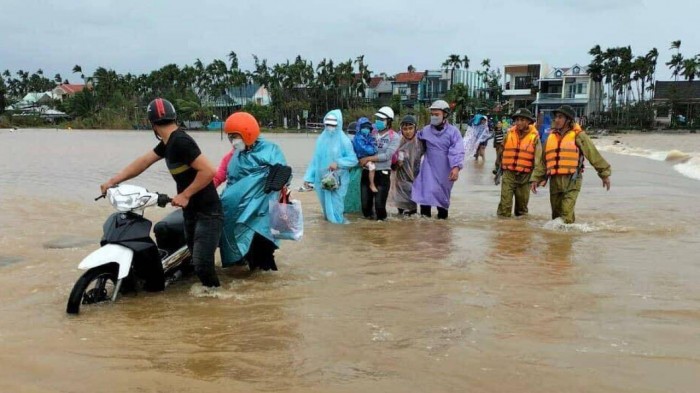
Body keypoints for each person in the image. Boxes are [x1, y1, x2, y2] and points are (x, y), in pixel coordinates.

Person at [100, 98, 221, 288]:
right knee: (194, 261)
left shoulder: (180, 141)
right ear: (173, 118)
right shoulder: (168, 143)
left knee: (202, 265)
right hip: (190, 212)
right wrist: (113, 181)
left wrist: (186, 194)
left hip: (208, 212)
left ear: (152, 124)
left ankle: (217, 302)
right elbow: (143, 162)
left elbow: (209, 171)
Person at [219, 112, 287, 271]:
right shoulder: (235, 155)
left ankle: (267, 291)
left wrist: (276, 180)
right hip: (239, 213)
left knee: (263, 255)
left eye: (235, 136)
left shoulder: (270, 150)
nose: (233, 141)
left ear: (247, 133)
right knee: (246, 254)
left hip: (262, 213)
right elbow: (226, 177)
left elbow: (283, 172)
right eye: (230, 137)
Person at [531, 105, 612, 223]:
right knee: (556, 216)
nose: (556, 120)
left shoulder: (579, 136)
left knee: (566, 214)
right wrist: (536, 178)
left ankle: (567, 237)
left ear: (568, 120)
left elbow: (592, 154)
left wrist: (604, 174)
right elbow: (544, 161)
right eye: (556, 117)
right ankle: (562, 240)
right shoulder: (551, 137)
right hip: (555, 180)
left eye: (560, 117)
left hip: (572, 180)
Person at [411, 100, 465, 219]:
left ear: (445, 115)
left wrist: (456, 168)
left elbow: (458, 150)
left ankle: (442, 232)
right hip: (428, 169)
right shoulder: (425, 131)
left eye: (437, 114)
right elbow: (414, 143)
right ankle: (424, 231)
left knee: (442, 202)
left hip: (445, 171)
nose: (433, 117)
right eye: (432, 114)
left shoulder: (453, 132)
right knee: (425, 199)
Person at [304, 110, 358, 224]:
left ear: (339, 124)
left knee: (336, 208)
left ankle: (338, 232)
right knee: (326, 210)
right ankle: (329, 234)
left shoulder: (344, 140)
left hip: (338, 180)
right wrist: (308, 178)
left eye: (333, 124)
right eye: (328, 124)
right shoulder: (321, 139)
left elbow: (353, 159)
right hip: (322, 180)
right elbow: (315, 160)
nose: (330, 127)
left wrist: (338, 163)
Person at [497, 108, 542, 218]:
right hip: (509, 174)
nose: (519, 123)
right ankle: (502, 231)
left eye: (522, 120)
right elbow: (501, 151)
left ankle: (521, 233)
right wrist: (497, 168)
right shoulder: (509, 134)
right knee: (504, 207)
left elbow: (538, 159)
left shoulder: (535, 137)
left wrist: (536, 178)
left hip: (525, 176)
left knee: (521, 210)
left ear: (528, 122)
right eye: (517, 120)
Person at [357, 106, 400, 220]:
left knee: (379, 207)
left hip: (383, 173)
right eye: (377, 119)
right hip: (367, 172)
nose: (378, 121)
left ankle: (381, 233)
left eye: (382, 119)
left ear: (389, 121)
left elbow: (387, 155)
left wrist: (368, 158)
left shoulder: (394, 137)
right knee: (365, 207)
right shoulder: (371, 132)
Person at [391, 115, 423, 216]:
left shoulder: (421, 142)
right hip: (401, 182)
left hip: (416, 180)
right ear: (401, 129)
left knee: (412, 214)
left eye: (410, 128)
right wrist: (396, 163)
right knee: (402, 215)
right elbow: (391, 165)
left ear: (415, 128)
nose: (408, 131)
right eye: (405, 129)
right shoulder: (397, 142)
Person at [352, 117, 378, 193]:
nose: (366, 129)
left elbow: (374, 145)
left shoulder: (368, 136)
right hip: (360, 157)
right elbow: (363, 148)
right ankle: (372, 184)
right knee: (372, 167)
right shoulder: (358, 138)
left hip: (367, 157)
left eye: (367, 128)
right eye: (364, 127)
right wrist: (372, 150)